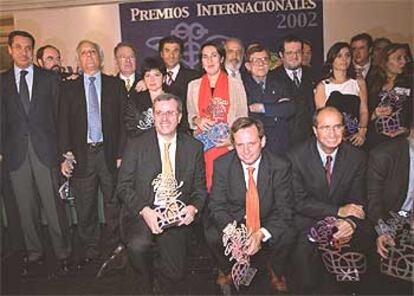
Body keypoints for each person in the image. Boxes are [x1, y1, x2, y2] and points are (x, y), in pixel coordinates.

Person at [117, 93, 207, 294]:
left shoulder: (194, 148)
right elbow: (123, 186)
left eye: (170, 113)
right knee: (139, 246)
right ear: (153, 116)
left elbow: (200, 189)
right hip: (143, 210)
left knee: (176, 274)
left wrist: (193, 208)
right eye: (159, 113)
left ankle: (158, 265)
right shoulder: (136, 145)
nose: (164, 118)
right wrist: (145, 210)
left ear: (180, 116)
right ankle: (144, 276)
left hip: (175, 215)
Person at [1, 30, 70, 275]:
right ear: (10, 50)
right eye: (18, 47)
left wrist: (64, 154)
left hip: (46, 151)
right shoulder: (2, 81)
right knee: (25, 208)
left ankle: (63, 253)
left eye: (28, 47)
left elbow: (59, 118)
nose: (23, 51)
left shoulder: (49, 79)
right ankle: (34, 253)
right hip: (16, 154)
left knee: (53, 206)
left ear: (33, 50)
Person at [205, 117, 295, 293]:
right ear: (234, 145)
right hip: (236, 219)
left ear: (262, 141)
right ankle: (227, 270)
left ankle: (275, 270)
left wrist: (260, 234)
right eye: (240, 145)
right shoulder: (222, 164)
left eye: (252, 144)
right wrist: (235, 233)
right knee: (211, 234)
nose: (246, 151)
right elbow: (216, 206)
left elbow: (284, 210)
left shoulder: (280, 166)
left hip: (265, 219)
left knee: (289, 233)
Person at [288, 107, 368, 294]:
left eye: (337, 127)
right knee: (306, 279)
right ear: (315, 131)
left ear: (344, 129)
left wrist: (350, 222)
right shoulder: (296, 157)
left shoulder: (357, 157)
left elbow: (359, 199)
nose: (332, 134)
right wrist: (338, 211)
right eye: (325, 127)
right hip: (308, 221)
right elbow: (298, 202)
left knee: (352, 279)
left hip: (343, 222)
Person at [59, 40, 125, 264]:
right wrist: (66, 153)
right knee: (85, 204)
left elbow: (123, 122)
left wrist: (121, 153)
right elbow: (63, 123)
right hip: (82, 154)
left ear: (100, 57)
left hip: (109, 153)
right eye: (84, 53)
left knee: (113, 201)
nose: (89, 56)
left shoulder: (114, 85)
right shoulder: (68, 88)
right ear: (78, 59)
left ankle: (116, 243)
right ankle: (91, 245)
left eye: (93, 52)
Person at [187, 41, 247, 191]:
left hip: (227, 148)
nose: (209, 60)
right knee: (204, 192)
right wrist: (197, 120)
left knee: (227, 191)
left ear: (221, 59)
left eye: (214, 56)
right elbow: (190, 116)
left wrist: (232, 141)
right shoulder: (193, 86)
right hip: (203, 149)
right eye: (205, 57)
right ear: (201, 62)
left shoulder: (236, 84)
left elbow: (243, 118)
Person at [242, 44, 296, 154]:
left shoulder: (280, 81)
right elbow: (244, 111)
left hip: (280, 142)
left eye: (264, 59)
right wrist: (276, 108)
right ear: (248, 66)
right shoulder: (241, 84)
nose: (261, 64)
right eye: (256, 60)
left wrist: (262, 108)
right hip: (254, 142)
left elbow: (290, 108)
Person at [314, 42, 369, 147]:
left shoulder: (358, 83)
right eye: (339, 56)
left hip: (356, 138)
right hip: (332, 138)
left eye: (347, 55)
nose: (344, 59)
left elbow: (364, 110)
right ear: (332, 59)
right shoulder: (323, 86)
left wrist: (362, 132)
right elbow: (321, 117)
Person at [366, 43, 412, 149]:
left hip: (402, 140)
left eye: (405, 58)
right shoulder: (371, 83)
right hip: (374, 141)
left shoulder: (409, 82)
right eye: (398, 58)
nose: (404, 62)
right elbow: (361, 114)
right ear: (385, 62)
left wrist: (408, 130)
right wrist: (374, 113)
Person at [274, 35, 315, 146]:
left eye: (298, 52)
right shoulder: (272, 78)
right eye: (289, 53)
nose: (294, 56)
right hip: (284, 143)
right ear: (281, 55)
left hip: (311, 141)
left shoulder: (314, 75)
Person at [123, 57, 166, 138]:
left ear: (164, 78)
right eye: (148, 75)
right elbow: (130, 126)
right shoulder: (135, 100)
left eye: (156, 75)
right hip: (142, 144)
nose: (152, 80)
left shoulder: (174, 98)